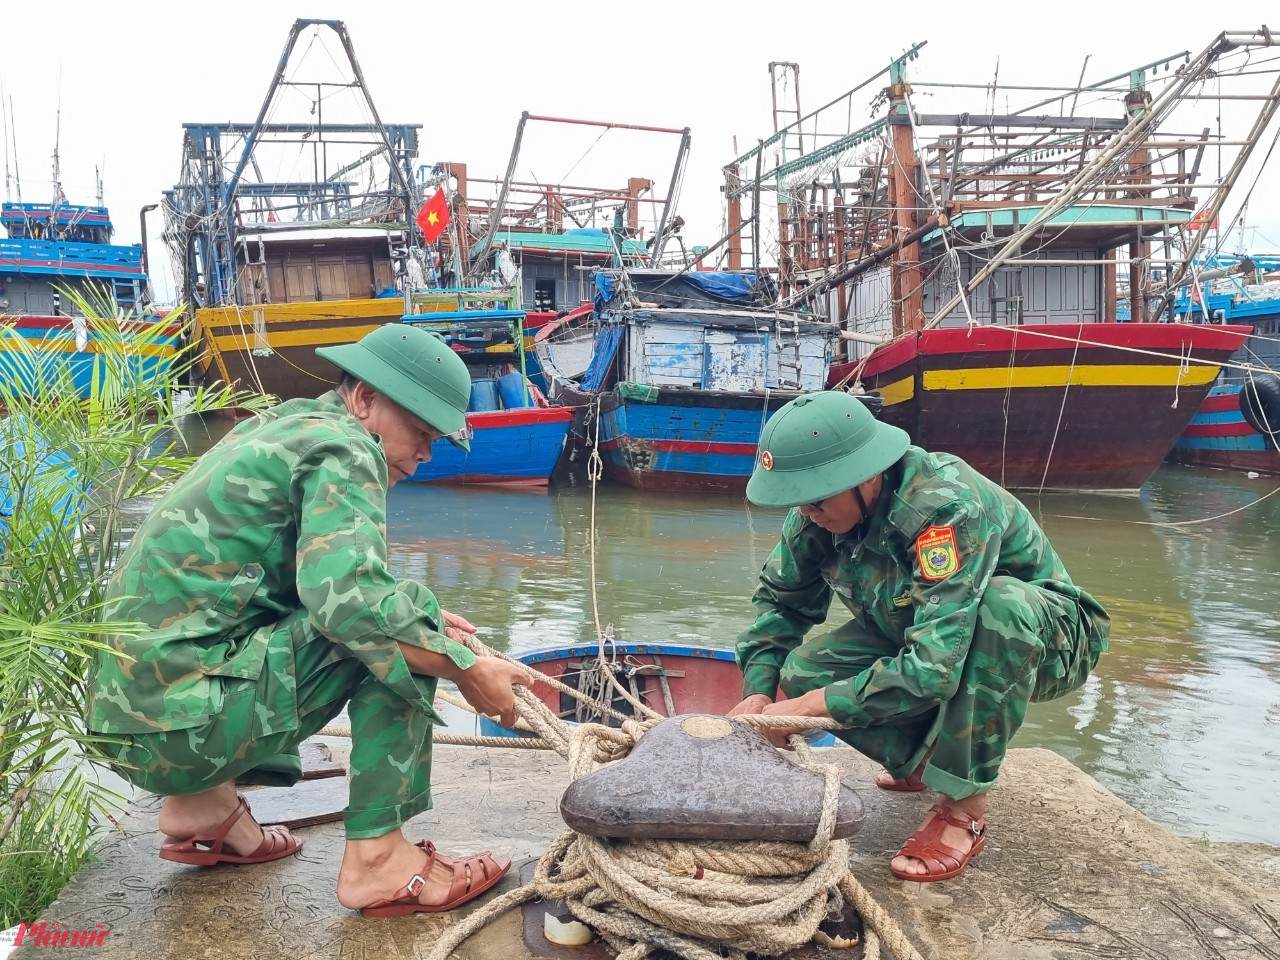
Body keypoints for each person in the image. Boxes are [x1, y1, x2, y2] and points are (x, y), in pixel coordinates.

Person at [87, 324, 535, 917]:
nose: (426, 454)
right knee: (402, 626)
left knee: (402, 612)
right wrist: (468, 668)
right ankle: (378, 862)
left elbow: (269, 587)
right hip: (179, 729)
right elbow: (352, 605)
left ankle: (202, 808)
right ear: (366, 400)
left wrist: (418, 618)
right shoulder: (348, 447)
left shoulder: (282, 425)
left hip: (132, 721)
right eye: (422, 433)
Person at [729, 391, 1109, 883]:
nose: (806, 514)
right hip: (925, 629)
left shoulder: (942, 507)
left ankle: (963, 807)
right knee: (805, 672)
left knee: (1001, 606)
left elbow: (934, 665)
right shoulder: (816, 515)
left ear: (865, 477)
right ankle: (925, 761)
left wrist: (803, 712)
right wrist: (760, 692)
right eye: (797, 502)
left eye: (816, 500)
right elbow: (781, 603)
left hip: (1046, 638)